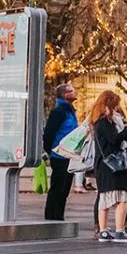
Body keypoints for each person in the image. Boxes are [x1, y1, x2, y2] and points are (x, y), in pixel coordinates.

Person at [89, 90, 127, 242]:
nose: (117, 108)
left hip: (102, 165)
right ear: (110, 104)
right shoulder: (105, 121)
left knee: (104, 198)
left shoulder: (96, 121)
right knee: (122, 198)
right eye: (115, 104)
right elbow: (115, 140)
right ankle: (119, 231)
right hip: (112, 165)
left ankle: (103, 231)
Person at [42, 83, 79, 221]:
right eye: (71, 91)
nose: (74, 92)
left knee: (65, 188)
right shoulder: (59, 111)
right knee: (58, 187)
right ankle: (52, 215)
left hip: (69, 154)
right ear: (65, 95)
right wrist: (51, 150)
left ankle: (59, 214)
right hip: (59, 154)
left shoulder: (69, 111)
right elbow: (49, 133)